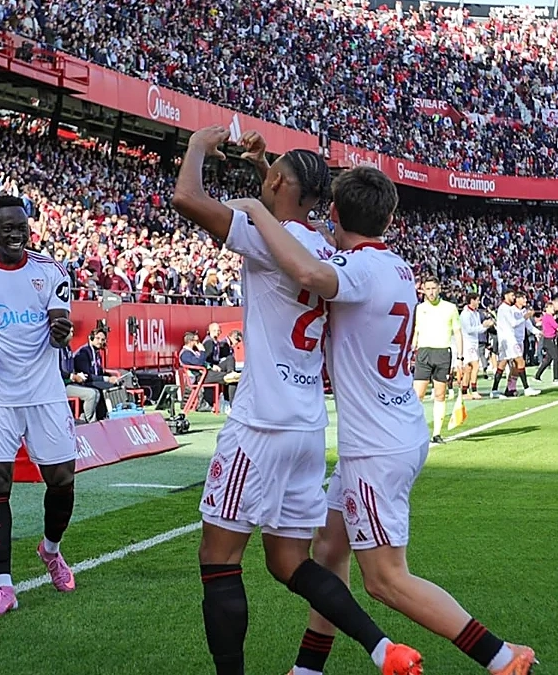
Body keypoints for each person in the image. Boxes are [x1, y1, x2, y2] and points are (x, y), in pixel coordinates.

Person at [228, 164, 536, 675]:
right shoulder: (395, 266)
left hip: (375, 447)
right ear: (389, 218)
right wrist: (271, 176)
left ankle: (500, 657)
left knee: (386, 579)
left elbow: (309, 271)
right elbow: (323, 244)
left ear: (332, 213)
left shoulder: (353, 273)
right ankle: (308, 669)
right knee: (328, 548)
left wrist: (260, 209)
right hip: (392, 430)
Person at [171, 126, 422, 675]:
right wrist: (269, 171)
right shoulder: (327, 248)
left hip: (262, 422)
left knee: (218, 560)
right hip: (309, 427)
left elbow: (186, 198)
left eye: (274, 174)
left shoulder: (266, 238)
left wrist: (196, 146)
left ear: (282, 183)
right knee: (289, 563)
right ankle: (382, 647)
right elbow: (290, 211)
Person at [0, 195, 78, 619]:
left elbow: (61, 326)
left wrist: (61, 332)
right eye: (6, 226)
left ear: (28, 228)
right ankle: (4, 586)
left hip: (45, 391)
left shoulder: (50, 271)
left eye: (20, 225)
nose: (14, 232)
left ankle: (51, 550)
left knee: (61, 480)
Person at [412, 278, 462, 442]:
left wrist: (460, 358)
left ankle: (436, 433)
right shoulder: (419, 309)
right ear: (423, 290)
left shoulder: (450, 308)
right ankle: (416, 431)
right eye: (428, 288)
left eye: (434, 288)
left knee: (440, 394)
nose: (431, 292)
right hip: (424, 352)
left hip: (442, 353)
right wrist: (410, 352)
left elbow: (457, 333)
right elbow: (416, 331)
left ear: (439, 288)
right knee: (417, 394)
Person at [63, 327, 119, 422]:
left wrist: (110, 377)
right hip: (79, 382)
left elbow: (99, 372)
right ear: (91, 338)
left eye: (102, 339)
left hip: (79, 381)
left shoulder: (97, 353)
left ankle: (108, 416)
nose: (100, 341)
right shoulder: (83, 353)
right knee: (101, 390)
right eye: (97, 338)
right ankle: (90, 421)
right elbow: (87, 376)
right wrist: (106, 379)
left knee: (114, 385)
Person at [458, 293, 492, 399]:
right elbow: (468, 330)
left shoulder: (476, 313)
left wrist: (486, 326)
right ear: (471, 301)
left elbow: (478, 330)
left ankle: (464, 391)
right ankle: (474, 390)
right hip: (467, 343)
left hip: (474, 342)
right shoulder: (465, 314)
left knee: (468, 368)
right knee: (475, 365)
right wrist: (482, 326)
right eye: (477, 300)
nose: (478, 302)